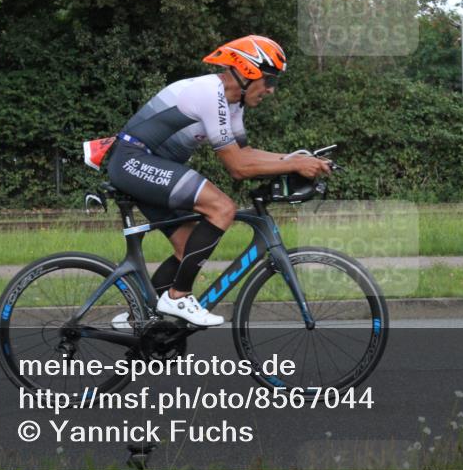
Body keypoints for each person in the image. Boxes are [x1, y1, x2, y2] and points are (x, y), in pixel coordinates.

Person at [107, 36, 332, 327]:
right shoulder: (209, 93)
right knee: (222, 208)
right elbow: (237, 167)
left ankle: (137, 317)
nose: (272, 90)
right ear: (249, 71)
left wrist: (297, 158)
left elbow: (245, 153)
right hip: (133, 161)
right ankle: (178, 296)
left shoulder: (232, 104)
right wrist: (295, 164)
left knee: (188, 247)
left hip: (149, 166)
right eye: (269, 79)